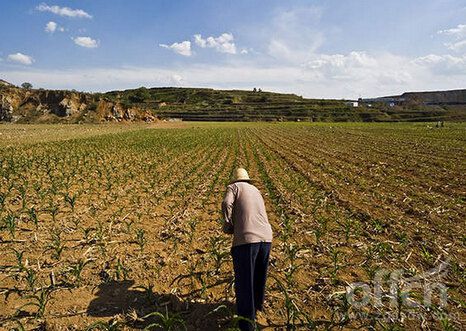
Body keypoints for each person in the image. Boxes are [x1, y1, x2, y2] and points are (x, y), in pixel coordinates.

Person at [221, 168, 273, 331]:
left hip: (246, 241)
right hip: (266, 238)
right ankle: (257, 309)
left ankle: (246, 324)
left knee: (244, 282)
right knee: (259, 276)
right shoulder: (256, 190)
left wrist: (228, 223)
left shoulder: (234, 188)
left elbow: (226, 203)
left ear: (235, 181)